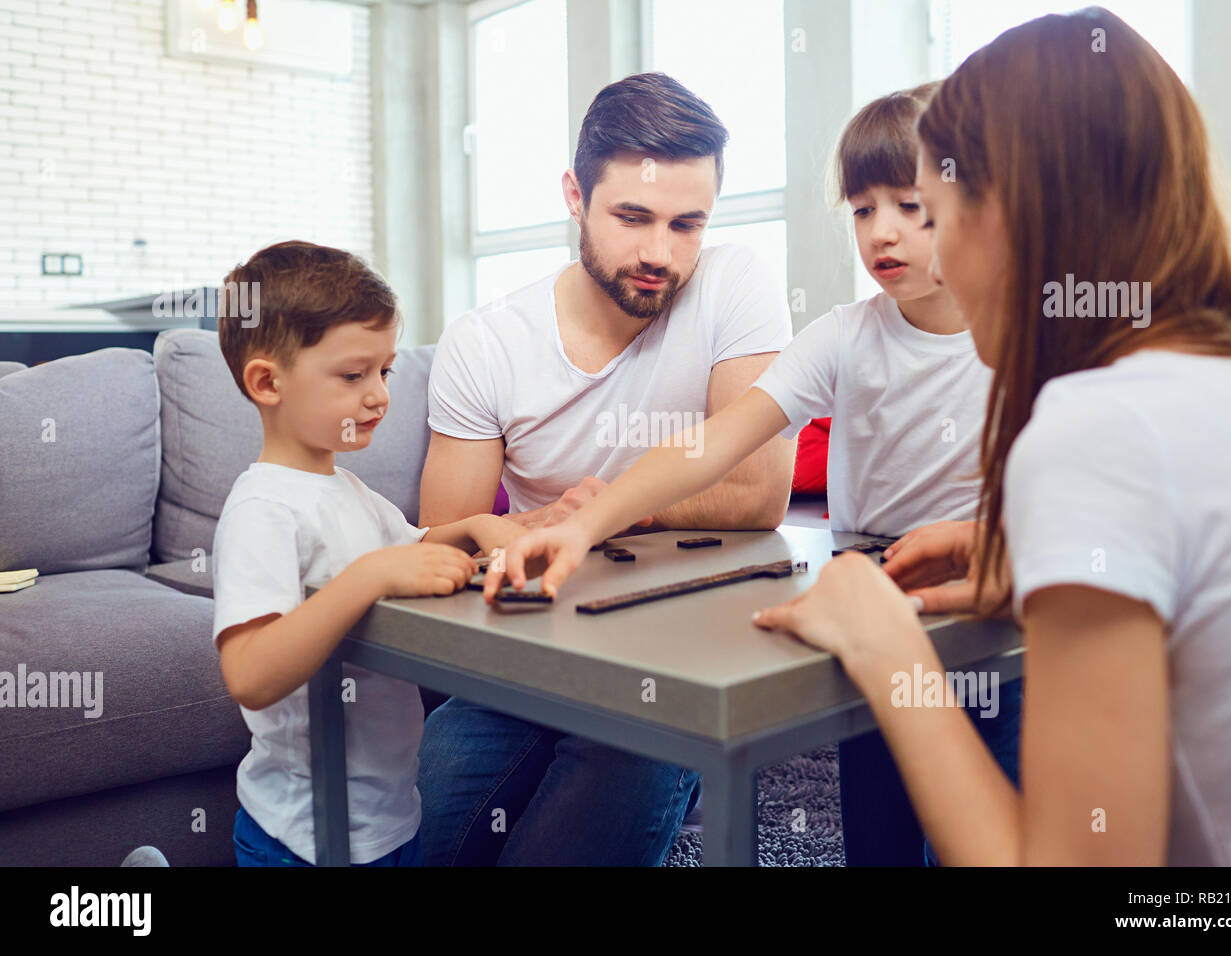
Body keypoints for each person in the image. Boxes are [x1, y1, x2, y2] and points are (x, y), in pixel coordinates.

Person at [755, 8, 1231, 863]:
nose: (929, 256)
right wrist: (1038, 559)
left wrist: (887, 648)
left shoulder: (1093, 427)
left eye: (931, 210)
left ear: (1001, 213)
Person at [482, 82, 1023, 865]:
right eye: (863, 209)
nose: (882, 232)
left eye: (911, 206)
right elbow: (712, 442)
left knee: (987, 830)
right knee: (879, 837)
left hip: (990, 618)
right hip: (870, 600)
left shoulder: (1024, 338)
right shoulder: (843, 335)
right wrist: (584, 524)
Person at [416, 72, 796, 866]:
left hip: (680, 653)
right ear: (574, 195)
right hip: (532, 650)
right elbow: (440, 544)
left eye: (687, 224)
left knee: (620, 762)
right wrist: (515, 533)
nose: (660, 253)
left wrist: (612, 508)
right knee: (424, 826)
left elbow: (760, 492)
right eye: (632, 217)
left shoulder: (735, 284)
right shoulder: (486, 344)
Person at [211, 240, 524, 866]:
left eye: (386, 371)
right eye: (354, 375)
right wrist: (368, 576)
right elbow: (249, 674)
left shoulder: (346, 490)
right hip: (302, 836)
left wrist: (476, 529)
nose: (380, 395)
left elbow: (412, 546)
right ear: (267, 382)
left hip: (387, 820)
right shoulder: (263, 510)